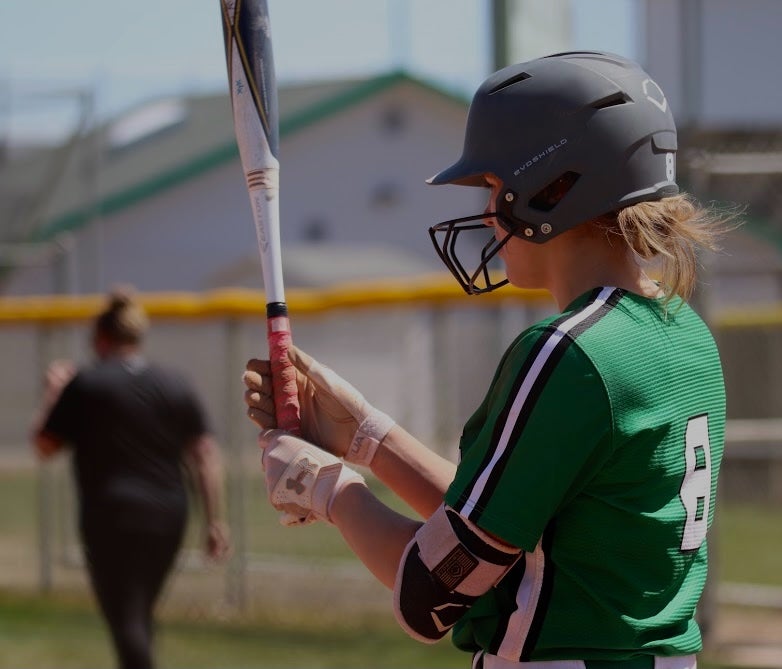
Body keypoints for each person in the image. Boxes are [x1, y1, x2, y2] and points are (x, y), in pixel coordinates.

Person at [243, 51, 733, 669]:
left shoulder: (569, 351)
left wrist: (329, 490)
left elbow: (432, 593)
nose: (484, 211)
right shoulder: (684, 333)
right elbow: (509, 536)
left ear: (556, 187)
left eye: (496, 187)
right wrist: (367, 436)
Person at [32, 287, 230, 669]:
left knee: (126, 618)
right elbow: (205, 454)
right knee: (138, 614)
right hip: (169, 514)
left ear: (100, 338)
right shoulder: (175, 383)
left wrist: (54, 393)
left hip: (111, 514)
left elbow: (44, 445)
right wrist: (215, 520)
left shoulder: (87, 383)